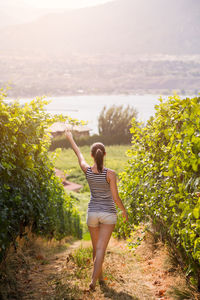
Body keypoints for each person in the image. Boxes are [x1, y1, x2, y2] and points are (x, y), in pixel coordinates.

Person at [65, 130, 128, 290]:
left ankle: (99, 278)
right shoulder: (111, 174)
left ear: (92, 156)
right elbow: (115, 198)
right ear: (104, 154)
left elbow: (78, 153)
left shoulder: (87, 170)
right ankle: (94, 280)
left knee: (96, 248)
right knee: (101, 248)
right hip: (108, 214)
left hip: (92, 213)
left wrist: (70, 138)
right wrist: (124, 211)